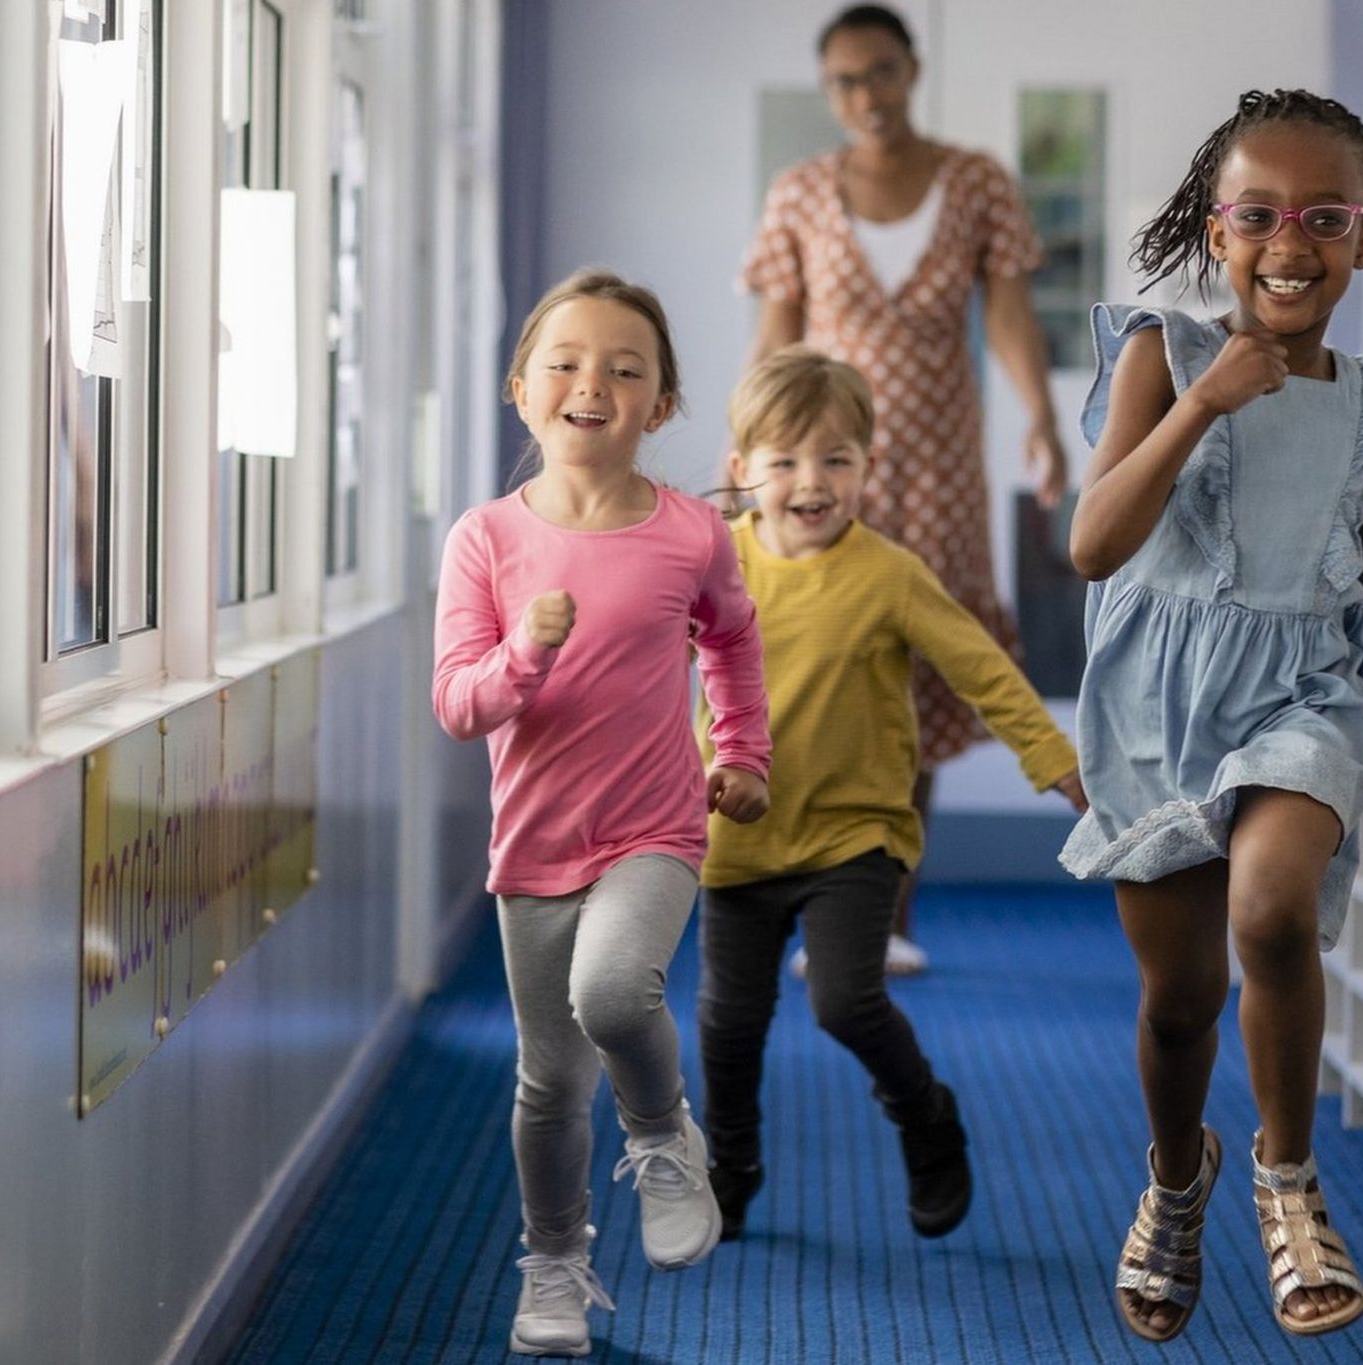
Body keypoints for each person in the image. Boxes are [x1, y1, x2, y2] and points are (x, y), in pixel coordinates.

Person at [1060, 90, 1363, 1341]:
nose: (1288, 243)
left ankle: (1285, 1177)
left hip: (1304, 688)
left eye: (1324, 217)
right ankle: (1174, 1178)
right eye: (1256, 215)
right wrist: (1206, 402)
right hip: (1158, 697)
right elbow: (1094, 546)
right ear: (1217, 235)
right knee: (1177, 1004)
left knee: (1269, 913)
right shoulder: (1164, 348)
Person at [432, 269, 772, 1358]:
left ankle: (665, 1137)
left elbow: (730, 641)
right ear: (519, 390)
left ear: (659, 406)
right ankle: (557, 1267)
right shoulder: (483, 540)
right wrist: (524, 651)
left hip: (655, 830)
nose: (594, 385)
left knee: (615, 995)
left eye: (626, 371)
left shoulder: (688, 536)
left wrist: (743, 753)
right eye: (567, 364)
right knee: (547, 1084)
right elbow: (455, 704)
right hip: (533, 847)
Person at [695, 346, 1086, 1244]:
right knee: (727, 1023)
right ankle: (731, 1164)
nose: (812, 480)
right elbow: (640, 675)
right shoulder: (714, 570)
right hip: (735, 838)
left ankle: (926, 1116)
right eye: (786, 459)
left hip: (854, 837)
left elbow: (983, 668)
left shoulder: (887, 574)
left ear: (869, 468)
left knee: (844, 1001)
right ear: (742, 469)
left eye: (837, 459)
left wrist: (1053, 758)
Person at [740, 3, 1068, 975]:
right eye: (843, 81)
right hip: (815, 467)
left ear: (911, 69)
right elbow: (775, 335)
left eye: (879, 72)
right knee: (813, 665)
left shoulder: (975, 182)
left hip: (936, 468)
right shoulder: (798, 193)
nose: (864, 96)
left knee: (918, 678)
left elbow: (1008, 315)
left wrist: (1042, 422)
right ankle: (807, 898)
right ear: (827, 92)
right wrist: (740, 444)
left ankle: (885, 918)